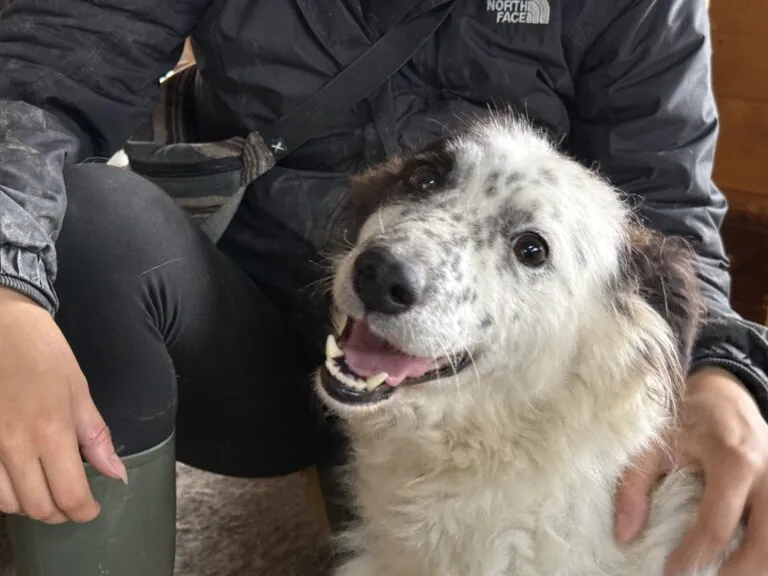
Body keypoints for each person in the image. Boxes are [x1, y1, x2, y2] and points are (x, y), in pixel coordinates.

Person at [0, 0, 767, 575]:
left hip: (490, 392)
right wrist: (6, 288)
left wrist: (719, 369)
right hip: (249, 342)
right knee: (90, 233)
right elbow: (34, 79)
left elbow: (664, 209)